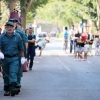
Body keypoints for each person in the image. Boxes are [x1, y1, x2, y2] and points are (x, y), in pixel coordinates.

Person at [0, 22, 25, 96]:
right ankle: (7, 88)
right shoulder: (2, 37)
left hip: (14, 58)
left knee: (13, 72)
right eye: (8, 27)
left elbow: (21, 48)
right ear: (5, 28)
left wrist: (23, 57)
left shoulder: (17, 36)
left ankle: (13, 87)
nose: (9, 28)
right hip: (5, 58)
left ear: (14, 27)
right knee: (6, 74)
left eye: (11, 27)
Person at [9, 19, 28, 94]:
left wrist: (24, 55)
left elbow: (25, 43)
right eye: (11, 23)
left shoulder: (20, 32)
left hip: (19, 53)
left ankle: (17, 83)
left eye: (14, 23)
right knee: (9, 70)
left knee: (18, 69)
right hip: (9, 53)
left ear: (16, 24)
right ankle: (10, 84)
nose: (13, 24)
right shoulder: (6, 32)